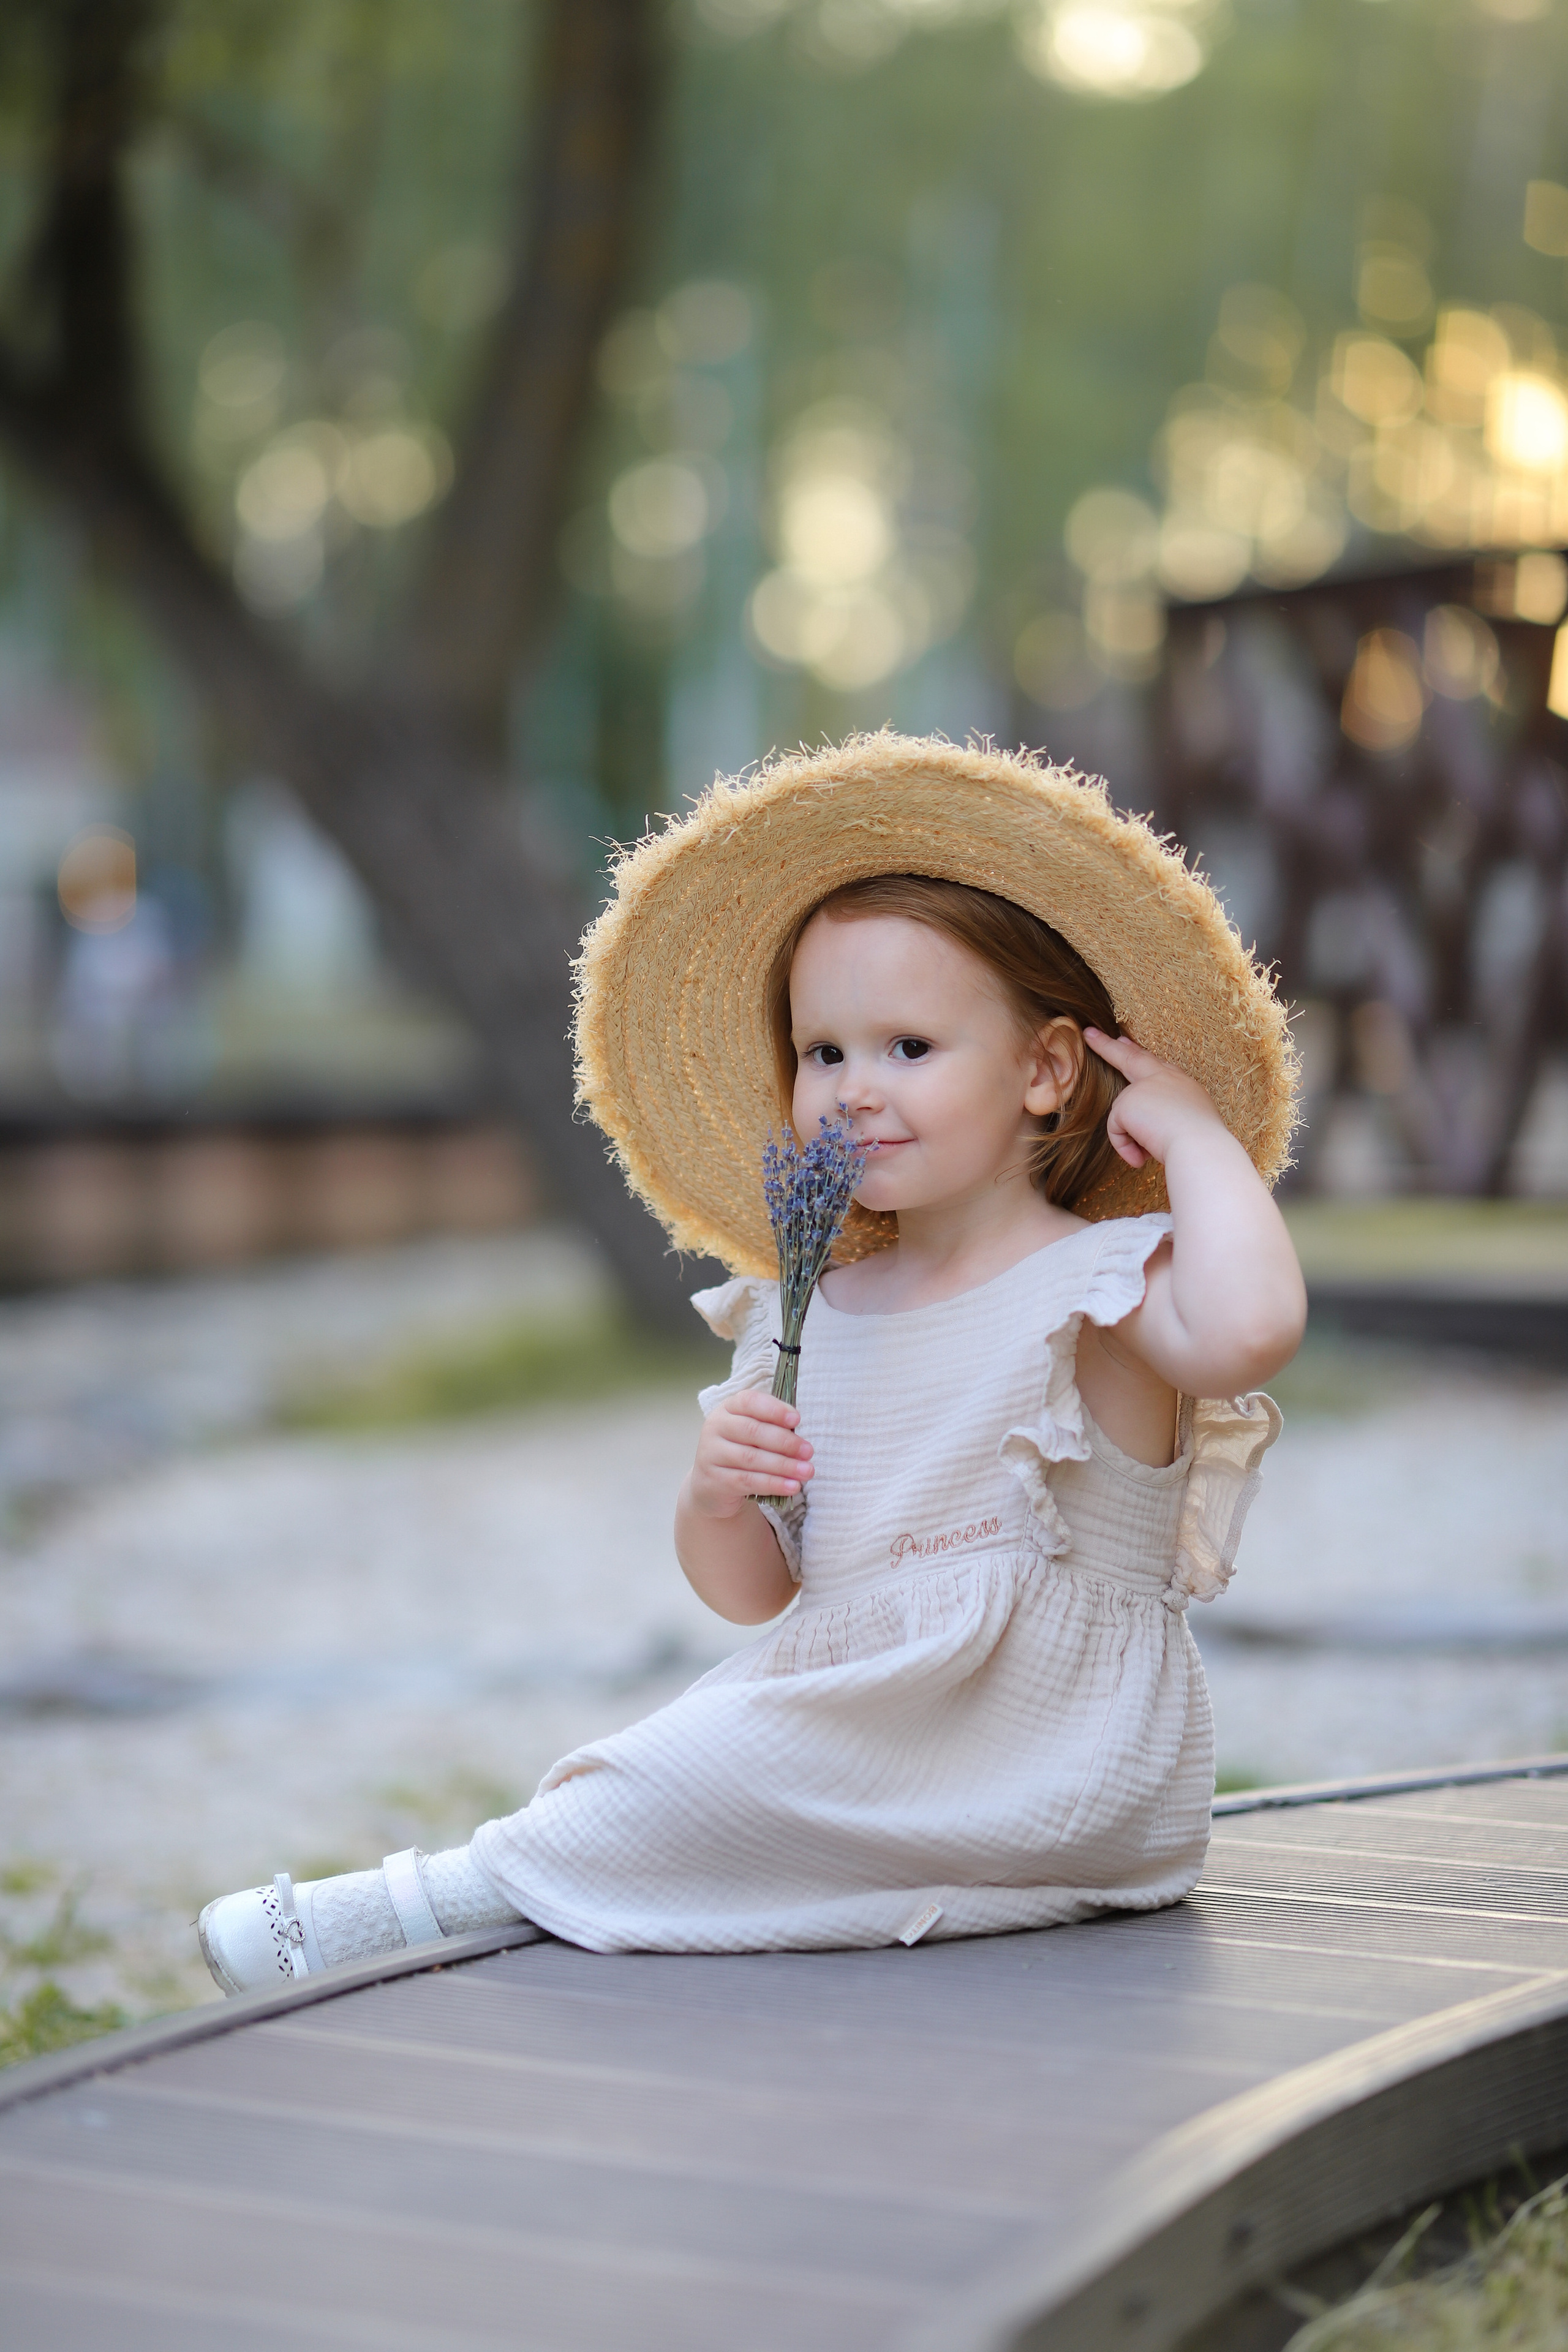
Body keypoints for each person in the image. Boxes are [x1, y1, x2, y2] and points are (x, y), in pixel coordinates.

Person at [198, 735, 1305, 1992]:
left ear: (1046, 1070)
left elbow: (1251, 1332)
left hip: (1054, 1745)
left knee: (677, 1775)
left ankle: (438, 1898)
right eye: (821, 1054)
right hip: (867, 1734)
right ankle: (525, 1888)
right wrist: (716, 1496)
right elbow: (757, 1596)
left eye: (906, 1048)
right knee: (669, 1759)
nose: (850, 1090)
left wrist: (1196, 1141)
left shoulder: (1097, 1285)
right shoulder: (809, 1311)